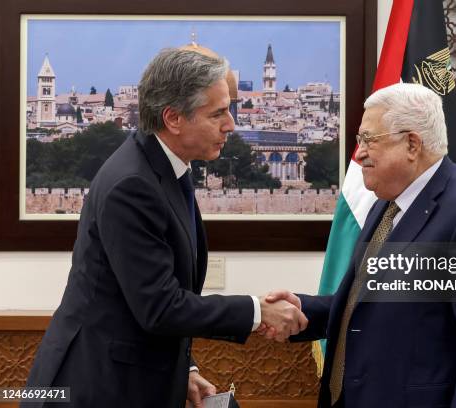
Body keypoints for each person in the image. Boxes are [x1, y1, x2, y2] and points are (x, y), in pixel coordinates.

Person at [22, 48, 307, 408]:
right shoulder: (133, 184)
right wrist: (257, 312)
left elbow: (144, 299)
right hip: (92, 389)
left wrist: (183, 367)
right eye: (218, 113)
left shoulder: (163, 169)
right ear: (173, 118)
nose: (231, 124)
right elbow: (159, 306)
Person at [264, 83, 456, 408]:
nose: (359, 154)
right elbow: (365, 305)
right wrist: (301, 310)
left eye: (369, 140)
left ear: (412, 143)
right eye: (359, 141)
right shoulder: (385, 204)